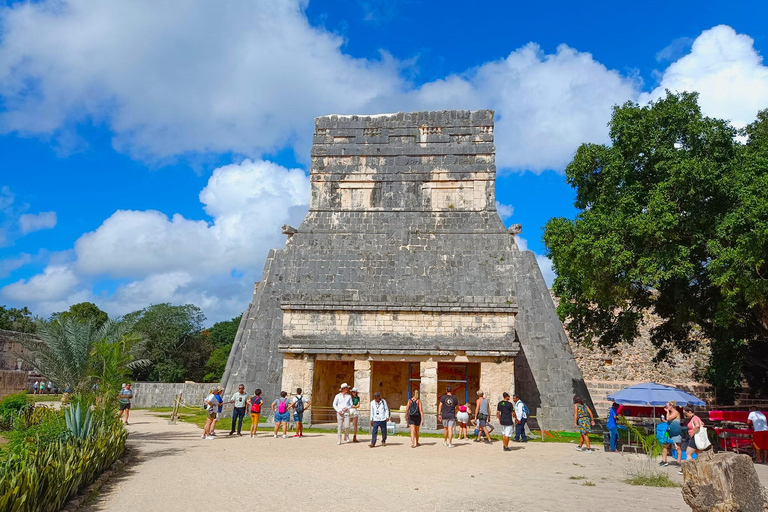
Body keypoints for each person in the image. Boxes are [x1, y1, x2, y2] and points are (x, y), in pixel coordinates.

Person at [682, 405, 706, 473]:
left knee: (688, 453)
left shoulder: (694, 418)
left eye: (686, 414)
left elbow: (697, 426)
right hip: (697, 438)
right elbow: (702, 424)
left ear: (690, 412)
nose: (686, 416)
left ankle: (688, 469)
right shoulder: (697, 417)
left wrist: (692, 433)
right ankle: (701, 469)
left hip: (694, 438)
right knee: (699, 454)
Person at [660, 401, 682, 466]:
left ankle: (679, 462)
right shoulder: (671, 413)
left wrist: (667, 412)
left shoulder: (676, 412)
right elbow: (668, 420)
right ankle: (664, 460)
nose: (666, 407)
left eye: (667, 406)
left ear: (671, 406)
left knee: (678, 447)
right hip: (669, 432)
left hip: (675, 432)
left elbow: (668, 418)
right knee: (665, 445)